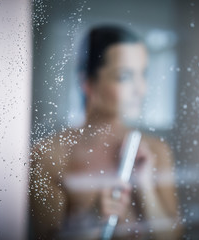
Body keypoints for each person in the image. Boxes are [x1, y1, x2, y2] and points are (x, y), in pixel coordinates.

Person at [29, 25, 182, 240]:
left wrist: (145, 188)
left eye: (143, 74)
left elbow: (174, 237)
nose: (141, 89)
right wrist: (92, 218)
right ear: (88, 83)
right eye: (124, 76)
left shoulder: (156, 150)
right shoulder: (49, 155)